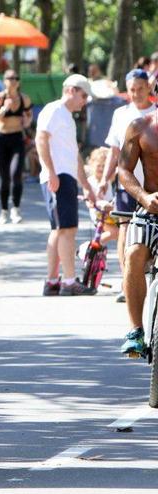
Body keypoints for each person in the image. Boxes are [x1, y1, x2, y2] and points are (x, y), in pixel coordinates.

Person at [37, 74, 97, 296]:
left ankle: (52, 281)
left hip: (66, 176)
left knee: (59, 229)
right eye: (83, 95)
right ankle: (69, 281)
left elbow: (75, 155)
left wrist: (86, 185)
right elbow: (41, 139)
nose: (85, 100)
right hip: (58, 176)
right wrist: (51, 172)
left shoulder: (68, 118)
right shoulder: (53, 110)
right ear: (71, 90)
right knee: (67, 229)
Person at [99, 69, 155, 303]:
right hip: (129, 185)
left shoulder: (154, 116)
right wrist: (104, 178)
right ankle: (127, 282)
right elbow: (115, 151)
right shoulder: (121, 114)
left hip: (151, 184)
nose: (135, 94)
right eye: (131, 90)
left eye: (140, 89)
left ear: (149, 88)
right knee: (125, 229)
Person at [118, 101, 158, 355]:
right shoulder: (140, 127)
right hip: (152, 207)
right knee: (133, 254)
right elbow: (124, 170)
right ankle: (135, 330)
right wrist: (144, 197)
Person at [0, 69, 33, 224]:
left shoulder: (24, 98)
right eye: (10, 78)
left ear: (19, 81)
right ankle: (4, 211)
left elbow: (29, 116)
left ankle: (16, 210)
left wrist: (26, 122)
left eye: (16, 78)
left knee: (16, 174)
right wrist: (3, 109)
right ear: (4, 81)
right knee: (4, 177)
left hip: (17, 138)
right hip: (1, 139)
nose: (13, 81)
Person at [83, 147, 118, 246]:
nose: (101, 168)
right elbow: (88, 202)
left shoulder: (107, 180)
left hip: (110, 213)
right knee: (116, 232)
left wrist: (109, 150)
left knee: (124, 230)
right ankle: (91, 245)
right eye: (99, 165)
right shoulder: (90, 181)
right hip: (99, 214)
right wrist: (98, 204)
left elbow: (117, 164)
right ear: (92, 165)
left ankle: (98, 247)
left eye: (104, 166)